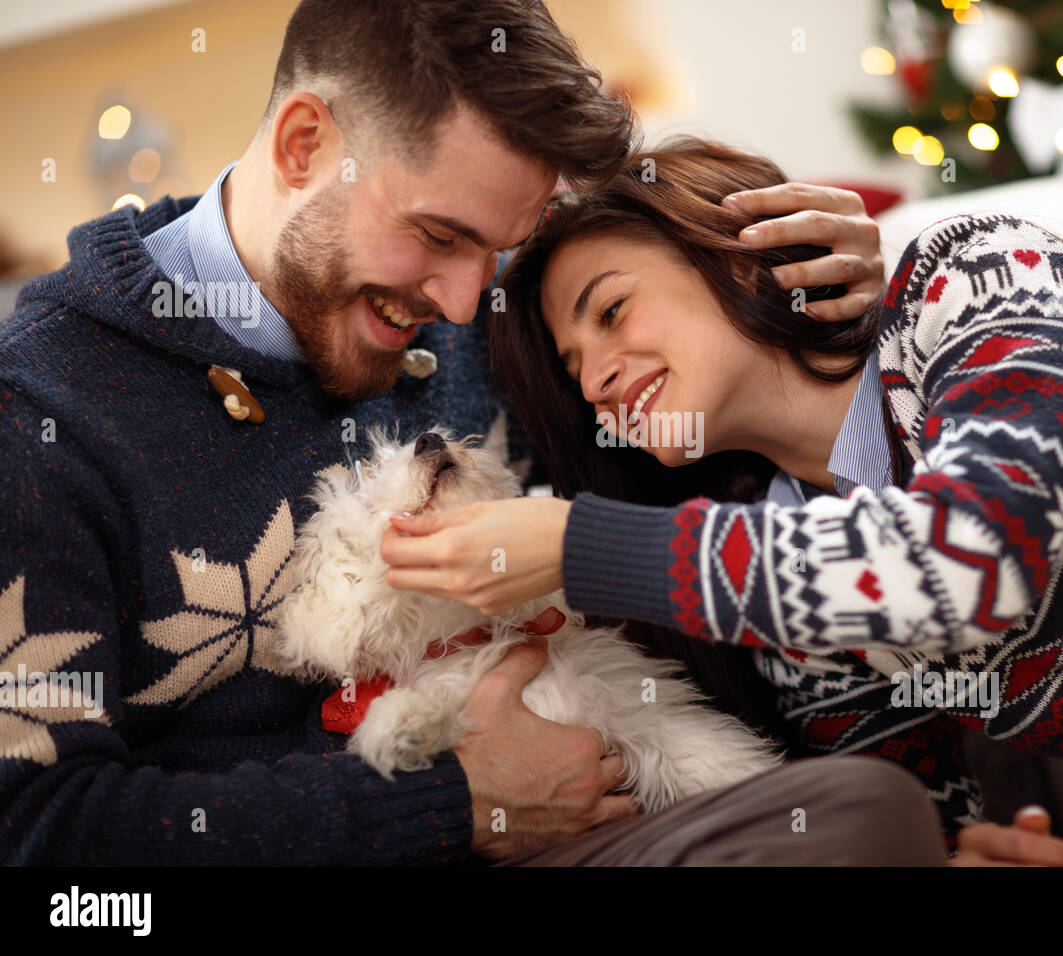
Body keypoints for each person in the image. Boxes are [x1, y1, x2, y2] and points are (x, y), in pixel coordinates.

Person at [0, 0, 912, 866]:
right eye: (439, 235)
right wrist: (448, 804)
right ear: (304, 144)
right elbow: (35, 831)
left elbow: (731, 521)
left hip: (649, 791)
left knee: (888, 802)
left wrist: (818, 318)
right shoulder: (42, 411)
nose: (466, 300)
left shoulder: (507, 313)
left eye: (496, 246)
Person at [381, 136, 1063, 853]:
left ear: (739, 255)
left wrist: (581, 546)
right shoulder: (786, 595)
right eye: (577, 369)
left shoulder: (971, 281)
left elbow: (976, 557)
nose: (599, 380)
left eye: (613, 311)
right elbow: (905, 805)